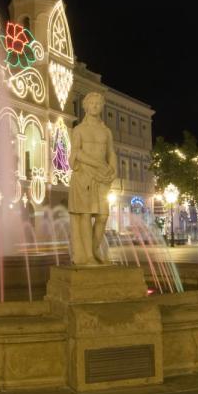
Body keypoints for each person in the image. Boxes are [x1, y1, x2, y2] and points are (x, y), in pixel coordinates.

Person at [68, 92, 117, 265]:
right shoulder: (79, 129)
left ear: (102, 107)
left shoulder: (106, 131)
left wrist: (114, 170)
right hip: (84, 175)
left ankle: (95, 249)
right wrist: (98, 164)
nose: (95, 106)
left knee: (103, 215)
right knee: (85, 215)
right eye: (92, 103)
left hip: (102, 177)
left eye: (98, 103)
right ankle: (87, 256)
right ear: (86, 106)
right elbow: (75, 153)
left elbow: (111, 152)